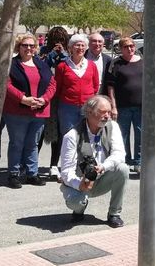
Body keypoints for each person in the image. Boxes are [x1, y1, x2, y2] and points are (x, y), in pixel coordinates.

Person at [59, 95, 128, 227]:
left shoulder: (112, 126)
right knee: (76, 201)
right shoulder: (72, 136)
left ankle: (114, 214)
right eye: (103, 112)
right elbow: (66, 171)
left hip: (102, 178)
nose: (107, 116)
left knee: (123, 168)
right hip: (81, 182)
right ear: (89, 112)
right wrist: (79, 184)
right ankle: (79, 208)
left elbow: (119, 154)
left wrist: (104, 166)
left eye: (109, 112)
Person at [3, 34, 57, 189]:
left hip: (39, 111)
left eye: (31, 46)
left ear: (36, 48)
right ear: (18, 47)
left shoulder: (41, 64)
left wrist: (44, 99)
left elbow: (52, 84)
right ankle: (14, 174)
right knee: (17, 143)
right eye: (25, 45)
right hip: (17, 111)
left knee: (32, 143)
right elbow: (6, 84)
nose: (28, 48)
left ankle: (31, 173)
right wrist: (23, 99)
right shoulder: (12, 64)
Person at [104, 36, 144, 174]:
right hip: (122, 107)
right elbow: (110, 87)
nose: (130, 49)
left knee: (140, 134)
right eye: (126, 46)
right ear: (121, 49)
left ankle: (139, 162)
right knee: (123, 135)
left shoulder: (142, 62)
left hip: (141, 106)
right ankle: (125, 160)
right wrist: (113, 106)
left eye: (132, 46)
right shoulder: (116, 64)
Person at [54, 34, 100, 149]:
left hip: (87, 107)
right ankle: (69, 165)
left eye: (83, 45)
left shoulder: (92, 65)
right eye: (77, 45)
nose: (80, 48)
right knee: (68, 137)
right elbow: (57, 88)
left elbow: (95, 86)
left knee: (86, 137)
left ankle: (82, 165)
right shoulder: (62, 67)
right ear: (70, 48)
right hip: (67, 108)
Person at [38, 26, 70, 179]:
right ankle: (30, 165)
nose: (59, 43)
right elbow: (42, 67)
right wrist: (51, 54)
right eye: (55, 40)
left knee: (57, 132)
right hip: (45, 95)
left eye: (62, 40)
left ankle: (53, 165)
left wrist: (62, 54)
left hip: (61, 97)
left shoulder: (68, 52)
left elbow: (69, 66)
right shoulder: (44, 50)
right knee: (40, 131)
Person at [87, 31, 115, 96]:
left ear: (103, 44)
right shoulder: (82, 57)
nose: (97, 44)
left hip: (101, 97)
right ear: (88, 43)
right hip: (84, 98)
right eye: (94, 41)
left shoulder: (108, 60)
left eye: (100, 41)